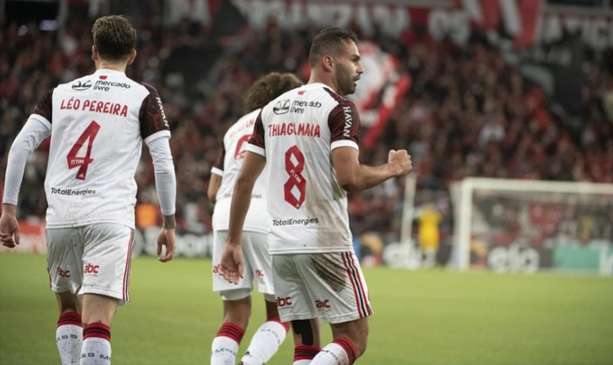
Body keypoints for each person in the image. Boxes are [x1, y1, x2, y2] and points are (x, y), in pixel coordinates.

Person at [220, 27, 412, 365]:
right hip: (325, 242)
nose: (361, 68)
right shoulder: (340, 108)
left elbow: (243, 181)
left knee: (305, 347)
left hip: (280, 246)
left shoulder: (271, 110)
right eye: (354, 60)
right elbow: (350, 178)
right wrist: (391, 169)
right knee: (353, 339)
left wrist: (233, 240)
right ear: (328, 61)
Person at [0, 15, 176, 365]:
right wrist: (168, 223)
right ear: (133, 55)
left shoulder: (60, 93)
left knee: (68, 307)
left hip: (63, 217)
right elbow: (163, 162)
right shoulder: (143, 97)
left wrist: (8, 208)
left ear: (93, 51)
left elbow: (19, 147)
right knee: (97, 320)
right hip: (109, 219)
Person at [207, 72, 304, 365]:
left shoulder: (234, 128)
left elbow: (212, 190)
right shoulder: (285, 121)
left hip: (225, 215)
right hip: (264, 214)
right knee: (282, 312)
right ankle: (252, 361)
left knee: (234, 312)